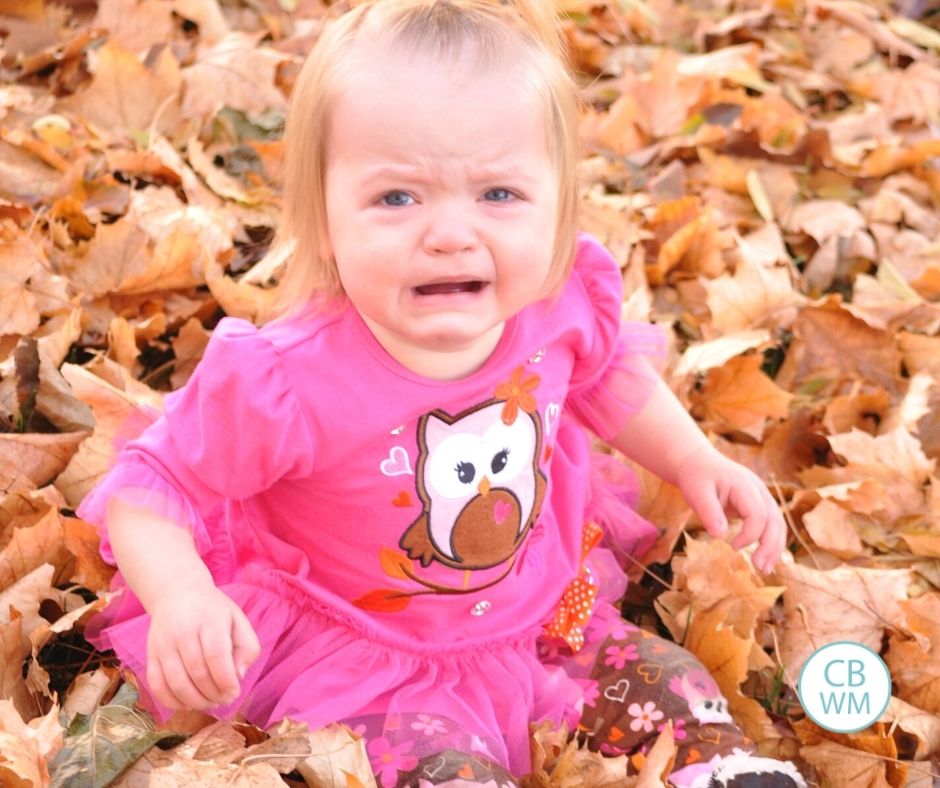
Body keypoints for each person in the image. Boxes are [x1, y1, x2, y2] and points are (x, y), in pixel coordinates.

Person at [77, 2, 805, 786]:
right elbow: (151, 486)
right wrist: (183, 595)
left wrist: (695, 458)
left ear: (558, 204)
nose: (450, 233)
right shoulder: (286, 382)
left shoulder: (553, 302)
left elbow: (607, 376)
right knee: (437, 769)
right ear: (324, 221)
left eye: (498, 194)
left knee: (671, 685)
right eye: (398, 198)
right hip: (369, 654)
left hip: (540, 612)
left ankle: (723, 773)